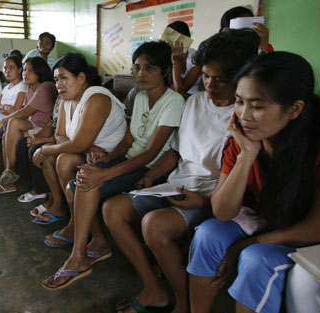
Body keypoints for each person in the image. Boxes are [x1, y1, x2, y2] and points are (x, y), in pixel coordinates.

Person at [103, 29, 260, 313]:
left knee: (154, 225)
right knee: (113, 209)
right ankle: (154, 288)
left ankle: (184, 304)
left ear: (241, 78)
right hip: (176, 184)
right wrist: (153, 176)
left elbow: (238, 182)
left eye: (219, 79)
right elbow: (175, 152)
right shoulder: (195, 102)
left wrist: (202, 201)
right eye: (206, 76)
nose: (209, 84)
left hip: (210, 195)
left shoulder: (244, 118)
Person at [187, 52, 320, 313]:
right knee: (208, 234)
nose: (244, 115)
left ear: (294, 109)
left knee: (256, 259)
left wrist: (254, 242)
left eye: (257, 106)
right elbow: (222, 211)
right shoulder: (241, 139)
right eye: (240, 102)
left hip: (311, 232)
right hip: (268, 218)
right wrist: (246, 156)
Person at [42, 41, 185, 290]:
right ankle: (95, 244)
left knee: (88, 181)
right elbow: (129, 140)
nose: (140, 74)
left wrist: (107, 172)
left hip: (150, 168)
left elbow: (151, 152)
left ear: (164, 70)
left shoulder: (174, 101)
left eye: (149, 68)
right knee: (82, 179)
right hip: (128, 159)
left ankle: (79, 257)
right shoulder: (140, 97)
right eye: (137, 67)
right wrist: (108, 158)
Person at [27, 53, 126, 225]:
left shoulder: (96, 98)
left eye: (64, 78)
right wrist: (85, 148)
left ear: (81, 78)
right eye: (56, 80)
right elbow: (59, 135)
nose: (59, 85)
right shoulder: (68, 100)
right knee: (52, 158)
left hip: (111, 156)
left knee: (62, 159)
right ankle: (59, 206)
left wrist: (45, 149)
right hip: (89, 152)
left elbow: (77, 143)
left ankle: (75, 223)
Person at [0, 56, 58, 194]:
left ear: (40, 71)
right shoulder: (30, 88)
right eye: (24, 70)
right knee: (11, 131)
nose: (25, 73)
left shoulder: (46, 86)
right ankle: (8, 176)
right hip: (33, 125)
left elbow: (25, 112)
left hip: (46, 128)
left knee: (12, 126)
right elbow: (24, 112)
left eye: (30, 70)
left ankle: (9, 172)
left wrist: (3, 119)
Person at [167, 21, 202, 99]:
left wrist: (176, 62)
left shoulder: (195, 57)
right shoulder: (169, 55)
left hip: (197, 97)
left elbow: (180, 90)